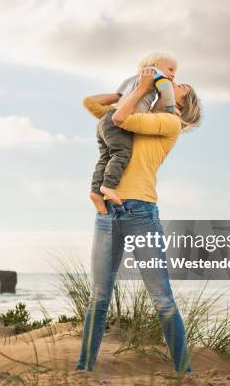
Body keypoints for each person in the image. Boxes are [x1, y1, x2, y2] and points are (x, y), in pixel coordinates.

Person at [77, 67, 201, 376]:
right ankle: (83, 369)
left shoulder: (169, 122)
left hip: (141, 213)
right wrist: (130, 91)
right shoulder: (139, 114)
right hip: (108, 212)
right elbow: (94, 105)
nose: (171, 88)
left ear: (182, 109)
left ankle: (184, 372)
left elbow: (119, 118)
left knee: (161, 298)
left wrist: (143, 87)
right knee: (99, 297)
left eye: (179, 91)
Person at [89, 52, 177, 214]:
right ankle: (108, 186)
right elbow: (166, 88)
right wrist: (171, 109)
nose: (173, 75)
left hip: (106, 118)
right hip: (120, 121)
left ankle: (96, 191)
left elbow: (119, 94)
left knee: (106, 156)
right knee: (121, 153)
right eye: (171, 69)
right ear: (156, 65)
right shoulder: (157, 76)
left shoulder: (134, 77)